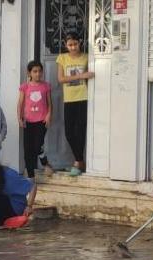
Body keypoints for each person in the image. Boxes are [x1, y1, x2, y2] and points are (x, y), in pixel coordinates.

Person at [56, 32, 94, 177]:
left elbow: (91, 74)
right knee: (69, 133)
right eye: (70, 45)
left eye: (75, 44)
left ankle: (77, 163)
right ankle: (80, 160)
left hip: (83, 98)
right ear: (66, 45)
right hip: (69, 99)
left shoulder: (86, 57)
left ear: (80, 42)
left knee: (80, 132)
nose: (72, 47)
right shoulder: (62, 58)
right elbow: (60, 79)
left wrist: (84, 76)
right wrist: (80, 75)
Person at [18, 60, 54, 178]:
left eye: (40, 71)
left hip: (41, 121)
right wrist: (19, 118)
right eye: (35, 71)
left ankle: (45, 163)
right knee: (28, 148)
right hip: (28, 121)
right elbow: (20, 103)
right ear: (29, 73)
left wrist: (49, 115)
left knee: (38, 145)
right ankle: (30, 177)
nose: (38, 74)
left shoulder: (45, 86)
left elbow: (50, 103)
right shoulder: (25, 87)